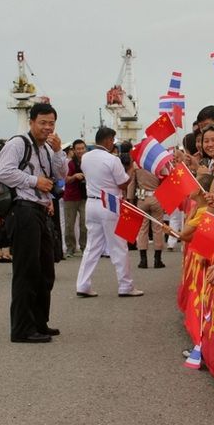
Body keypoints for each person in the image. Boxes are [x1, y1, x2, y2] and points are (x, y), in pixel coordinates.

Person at [0, 103, 68, 343]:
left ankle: (39, 322)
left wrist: (58, 153)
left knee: (46, 271)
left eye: (51, 123)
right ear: (31, 122)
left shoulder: (47, 148)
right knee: (26, 272)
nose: (47, 128)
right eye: (43, 123)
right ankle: (22, 329)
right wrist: (33, 181)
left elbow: (60, 175)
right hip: (23, 211)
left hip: (41, 210)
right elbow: (3, 172)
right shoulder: (18, 143)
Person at [75, 126, 144, 298]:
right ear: (107, 140)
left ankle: (83, 284)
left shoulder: (85, 157)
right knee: (118, 246)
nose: (113, 144)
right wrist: (131, 170)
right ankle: (125, 285)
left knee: (92, 247)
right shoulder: (112, 160)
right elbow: (122, 183)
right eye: (112, 140)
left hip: (91, 202)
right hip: (110, 204)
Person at [129, 165, 165, 269]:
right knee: (158, 229)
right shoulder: (159, 164)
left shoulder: (137, 165)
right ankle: (157, 260)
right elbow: (164, 181)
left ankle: (143, 260)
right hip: (157, 198)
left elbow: (132, 184)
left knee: (142, 229)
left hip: (142, 198)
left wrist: (130, 199)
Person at [63, 139, 88, 257]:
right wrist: (74, 176)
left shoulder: (89, 162)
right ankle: (70, 248)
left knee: (85, 224)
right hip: (71, 197)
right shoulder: (69, 163)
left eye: (82, 148)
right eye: (78, 149)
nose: (80, 151)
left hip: (85, 196)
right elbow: (65, 179)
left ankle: (84, 247)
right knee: (69, 224)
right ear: (73, 150)